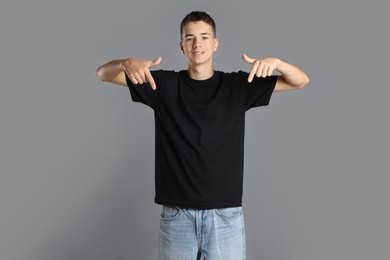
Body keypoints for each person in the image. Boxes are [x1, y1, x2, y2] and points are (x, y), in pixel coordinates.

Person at [96, 11, 309, 260]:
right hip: (177, 216)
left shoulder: (238, 86)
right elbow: (103, 73)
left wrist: (278, 63)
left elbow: (300, 81)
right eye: (190, 38)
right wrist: (126, 62)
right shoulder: (163, 85)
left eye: (205, 37)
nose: (198, 44)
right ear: (182, 45)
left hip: (225, 215)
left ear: (215, 43)